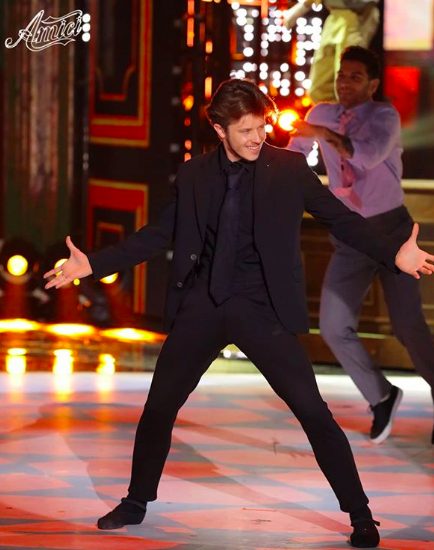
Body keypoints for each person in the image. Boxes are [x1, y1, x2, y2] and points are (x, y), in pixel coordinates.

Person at [44, 78, 434, 548]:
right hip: (203, 306)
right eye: (246, 130)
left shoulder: (288, 169)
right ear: (219, 128)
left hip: (262, 308)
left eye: (262, 127)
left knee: (313, 411)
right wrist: (93, 264)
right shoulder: (194, 175)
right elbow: (157, 235)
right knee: (159, 406)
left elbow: (342, 220)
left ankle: (360, 514)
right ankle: (135, 501)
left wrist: (393, 253)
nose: (257, 137)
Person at [289, 45, 434, 445]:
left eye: (355, 77)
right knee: (333, 326)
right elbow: (292, 156)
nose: (344, 83)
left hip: (393, 235)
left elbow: (365, 156)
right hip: (350, 234)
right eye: (341, 75)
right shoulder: (321, 113)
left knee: (408, 327)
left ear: (372, 84)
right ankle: (381, 396)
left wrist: (320, 134)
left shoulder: (383, 116)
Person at [284, 0, 379, 103]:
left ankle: (350, 112)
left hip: (356, 13)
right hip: (335, 14)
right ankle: (333, 112)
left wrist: (297, 11)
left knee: (348, 83)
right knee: (319, 89)